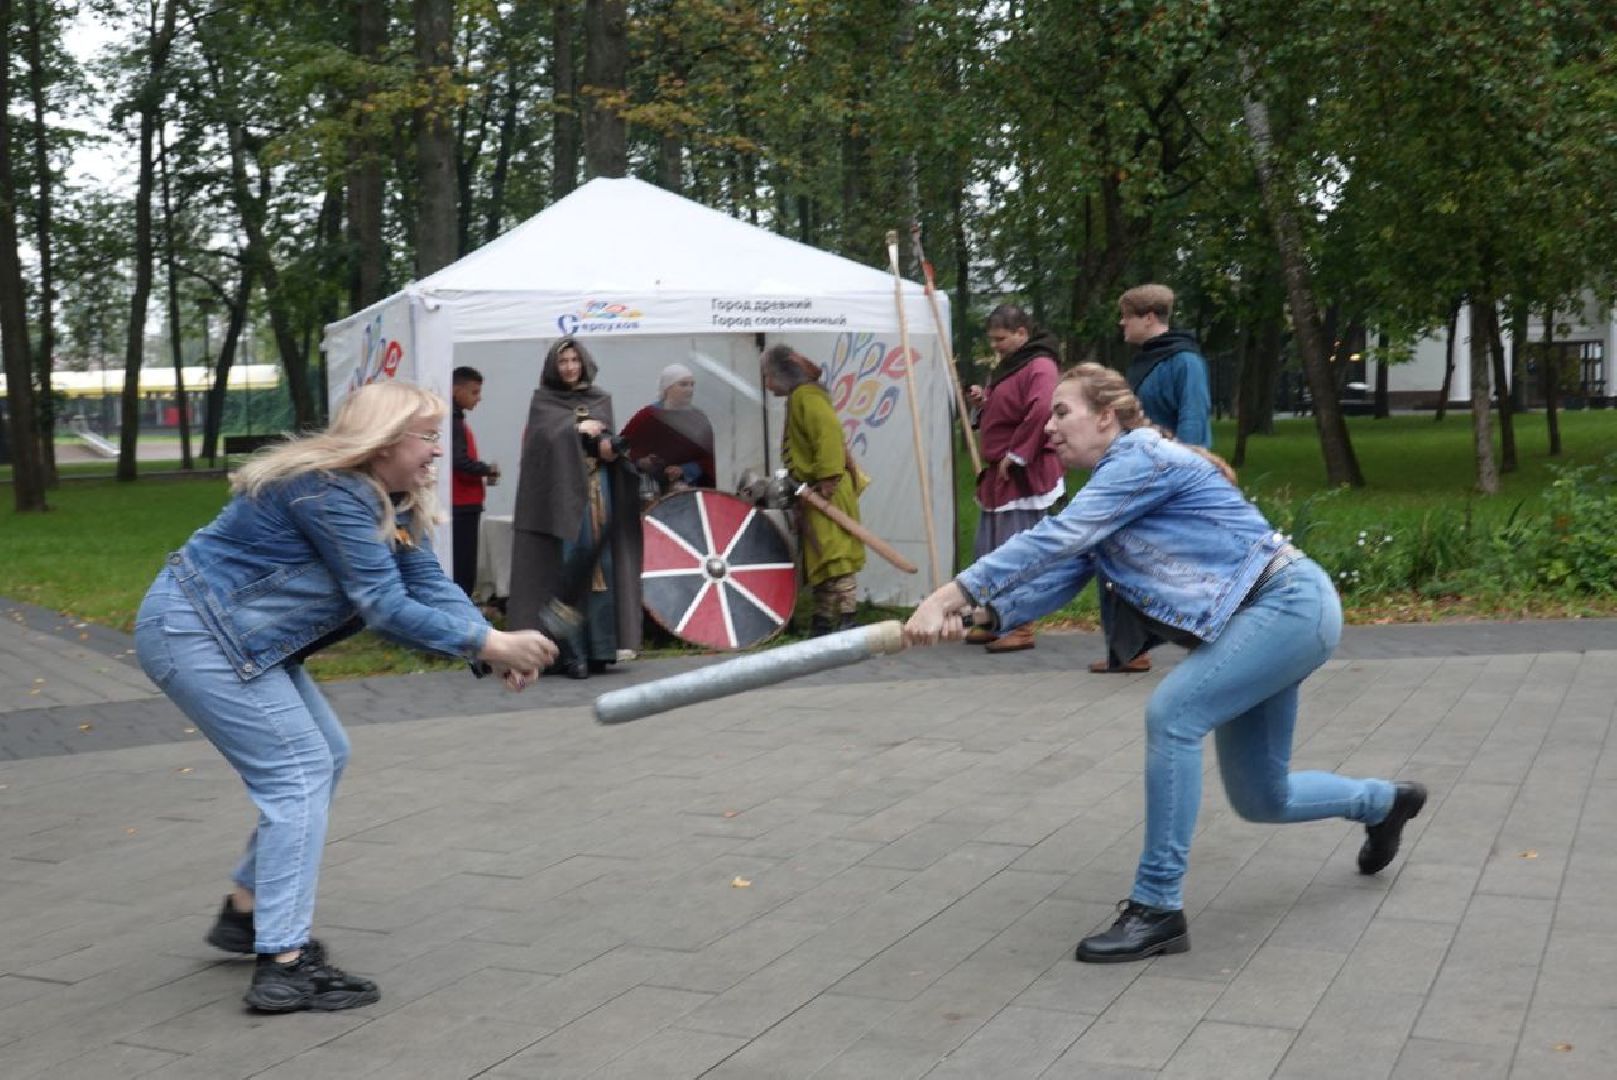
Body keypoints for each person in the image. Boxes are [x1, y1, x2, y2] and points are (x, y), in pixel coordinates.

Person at [904, 362, 1426, 964]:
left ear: (1107, 417)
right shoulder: (1111, 489)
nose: (1048, 427)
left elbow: (1057, 538)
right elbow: (1069, 569)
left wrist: (952, 592)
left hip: (1285, 606)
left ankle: (1157, 908)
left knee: (1172, 715)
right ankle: (1386, 803)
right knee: (1263, 797)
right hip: (1262, 622)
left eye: (1061, 412)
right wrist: (982, 617)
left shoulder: (1139, 458)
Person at [132, 381, 558, 1013]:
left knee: (324, 753)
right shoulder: (328, 493)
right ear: (385, 439)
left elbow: (423, 583)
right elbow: (382, 606)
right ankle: (284, 963)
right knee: (296, 771)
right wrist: (490, 645)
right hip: (197, 633)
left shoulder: (390, 498)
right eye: (428, 436)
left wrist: (486, 641)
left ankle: (249, 913)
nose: (437, 451)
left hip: (234, 637)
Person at [1092, 284, 1215, 674]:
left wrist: (1183, 475)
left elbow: (1193, 421)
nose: (1121, 323)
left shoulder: (1185, 362)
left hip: (1169, 477)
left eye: (1127, 316)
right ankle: (1128, 650)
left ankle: (1216, 637)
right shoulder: (1144, 361)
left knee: (1180, 564)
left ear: (1149, 318)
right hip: (1138, 471)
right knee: (1117, 552)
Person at [508, 337, 644, 679]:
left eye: (574, 360)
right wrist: (574, 429)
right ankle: (569, 652)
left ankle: (601, 648)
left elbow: (605, 449)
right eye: (563, 361)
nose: (570, 367)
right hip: (563, 502)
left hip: (600, 492)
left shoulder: (600, 399)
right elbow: (541, 444)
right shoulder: (544, 403)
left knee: (602, 568)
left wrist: (608, 447)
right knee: (570, 567)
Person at [962, 304, 1065, 653]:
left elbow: (1041, 409)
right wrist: (983, 400)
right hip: (999, 475)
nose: (996, 346)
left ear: (1022, 333)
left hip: (1022, 473)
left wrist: (1018, 454)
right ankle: (996, 619)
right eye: (992, 339)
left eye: (1001, 339)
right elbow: (1006, 407)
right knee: (991, 550)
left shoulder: (1041, 365)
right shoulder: (1014, 364)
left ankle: (1021, 624)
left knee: (1016, 551)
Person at [762, 344, 865, 636]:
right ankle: (823, 621)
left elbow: (828, 435)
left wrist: (828, 480)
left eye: (768, 376)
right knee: (821, 558)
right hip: (813, 492)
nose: (767, 384)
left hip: (825, 491)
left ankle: (848, 619)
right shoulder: (799, 397)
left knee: (836, 557)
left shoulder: (807, 396)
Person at [620, 362, 717, 499]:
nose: (689, 390)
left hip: (692, 491)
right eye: (683, 384)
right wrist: (642, 462)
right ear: (667, 388)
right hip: (650, 493)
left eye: (692, 384)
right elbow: (623, 450)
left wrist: (684, 470)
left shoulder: (699, 419)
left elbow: (708, 460)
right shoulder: (647, 416)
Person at [450, 366, 500, 597]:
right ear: (456, 390)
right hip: (461, 502)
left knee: (463, 563)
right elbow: (459, 461)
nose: (478, 398)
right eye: (474, 392)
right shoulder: (453, 421)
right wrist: (486, 469)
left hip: (465, 501)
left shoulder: (456, 419)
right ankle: (462, 607)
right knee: (463, 565)